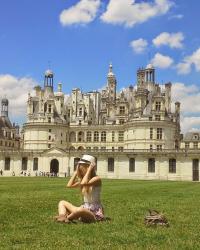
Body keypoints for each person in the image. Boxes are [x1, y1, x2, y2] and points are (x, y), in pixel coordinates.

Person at [55, 154, 104, 223]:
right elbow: (69, 185)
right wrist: (75, 173)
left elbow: (84, 183)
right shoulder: (83, 180)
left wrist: (89, 170)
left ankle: (67, 218)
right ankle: (62, 216)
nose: (81, 170)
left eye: (82, 168)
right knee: (62, 202)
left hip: (94, 213)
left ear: (89, 168)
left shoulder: (96, 179)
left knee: (80, 210)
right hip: (85, 208)